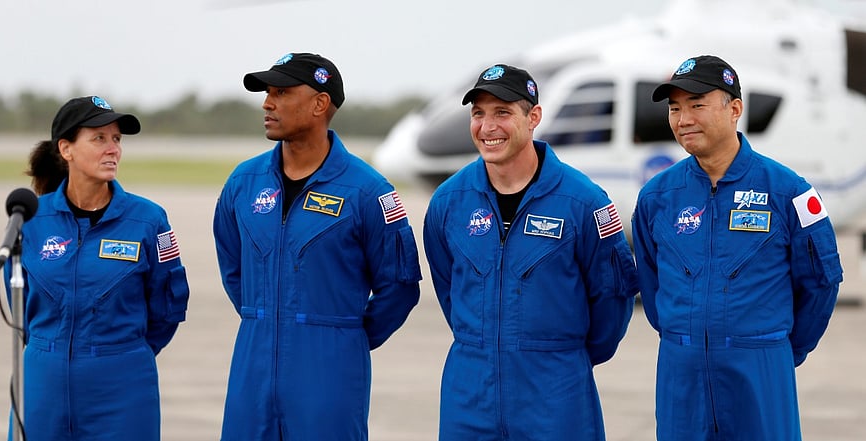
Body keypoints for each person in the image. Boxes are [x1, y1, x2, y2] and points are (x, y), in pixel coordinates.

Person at [632, 55, 844, 440]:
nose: (683, 119)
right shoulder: (656, 198)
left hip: (760, 370)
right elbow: (651, 281)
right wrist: (689, 340)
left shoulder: (787, 192)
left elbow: (822, 282)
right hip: (682, 375)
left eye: (696, 105)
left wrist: (776, 350)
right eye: (675, 108)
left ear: (734, 110)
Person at [422, 64, 638, 440]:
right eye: (478, 114)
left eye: (502, 113)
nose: (488, 127)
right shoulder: (449, 202)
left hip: (556, 396)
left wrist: (560, 359)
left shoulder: (583, 202)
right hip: (469, 395)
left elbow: (612, 301)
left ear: (534, 117)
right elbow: (449, 290)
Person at [213, 52, 421, 441]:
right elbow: (233, 267)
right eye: (267, 93)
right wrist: (266, 318)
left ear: (319, 104)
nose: (267, 103)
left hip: (330, 377)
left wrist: (343, 337)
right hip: (251, 374)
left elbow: (400, 287)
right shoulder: (243, 184)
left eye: (281, 92)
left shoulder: (368, 191)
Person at [5, 95, 190, 440]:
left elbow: (168, 305)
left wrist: (117, 353)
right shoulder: (30, 219)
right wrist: (52, 348)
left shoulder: (149, 220)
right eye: (99, 138)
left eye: (117, 139)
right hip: (43, 382)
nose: (113, 149)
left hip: (122, 385)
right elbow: (19, 304)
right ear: (66, 149)